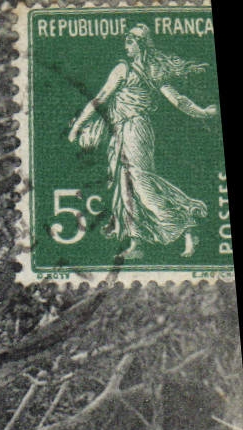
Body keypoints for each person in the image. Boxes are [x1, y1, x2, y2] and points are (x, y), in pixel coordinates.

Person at [67, 24, 218, 259]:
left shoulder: (141, 70)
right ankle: (136, 242)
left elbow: (177, 100)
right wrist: (78, 126)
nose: (126, 47)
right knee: (123, 185)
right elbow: (100, 99)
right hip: (120, 130)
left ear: (141, 45)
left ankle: (186, 222)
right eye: (126, 42)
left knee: (141, 181)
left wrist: (203, 113)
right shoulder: (127, 68)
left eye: (130, 42)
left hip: (136, 129)